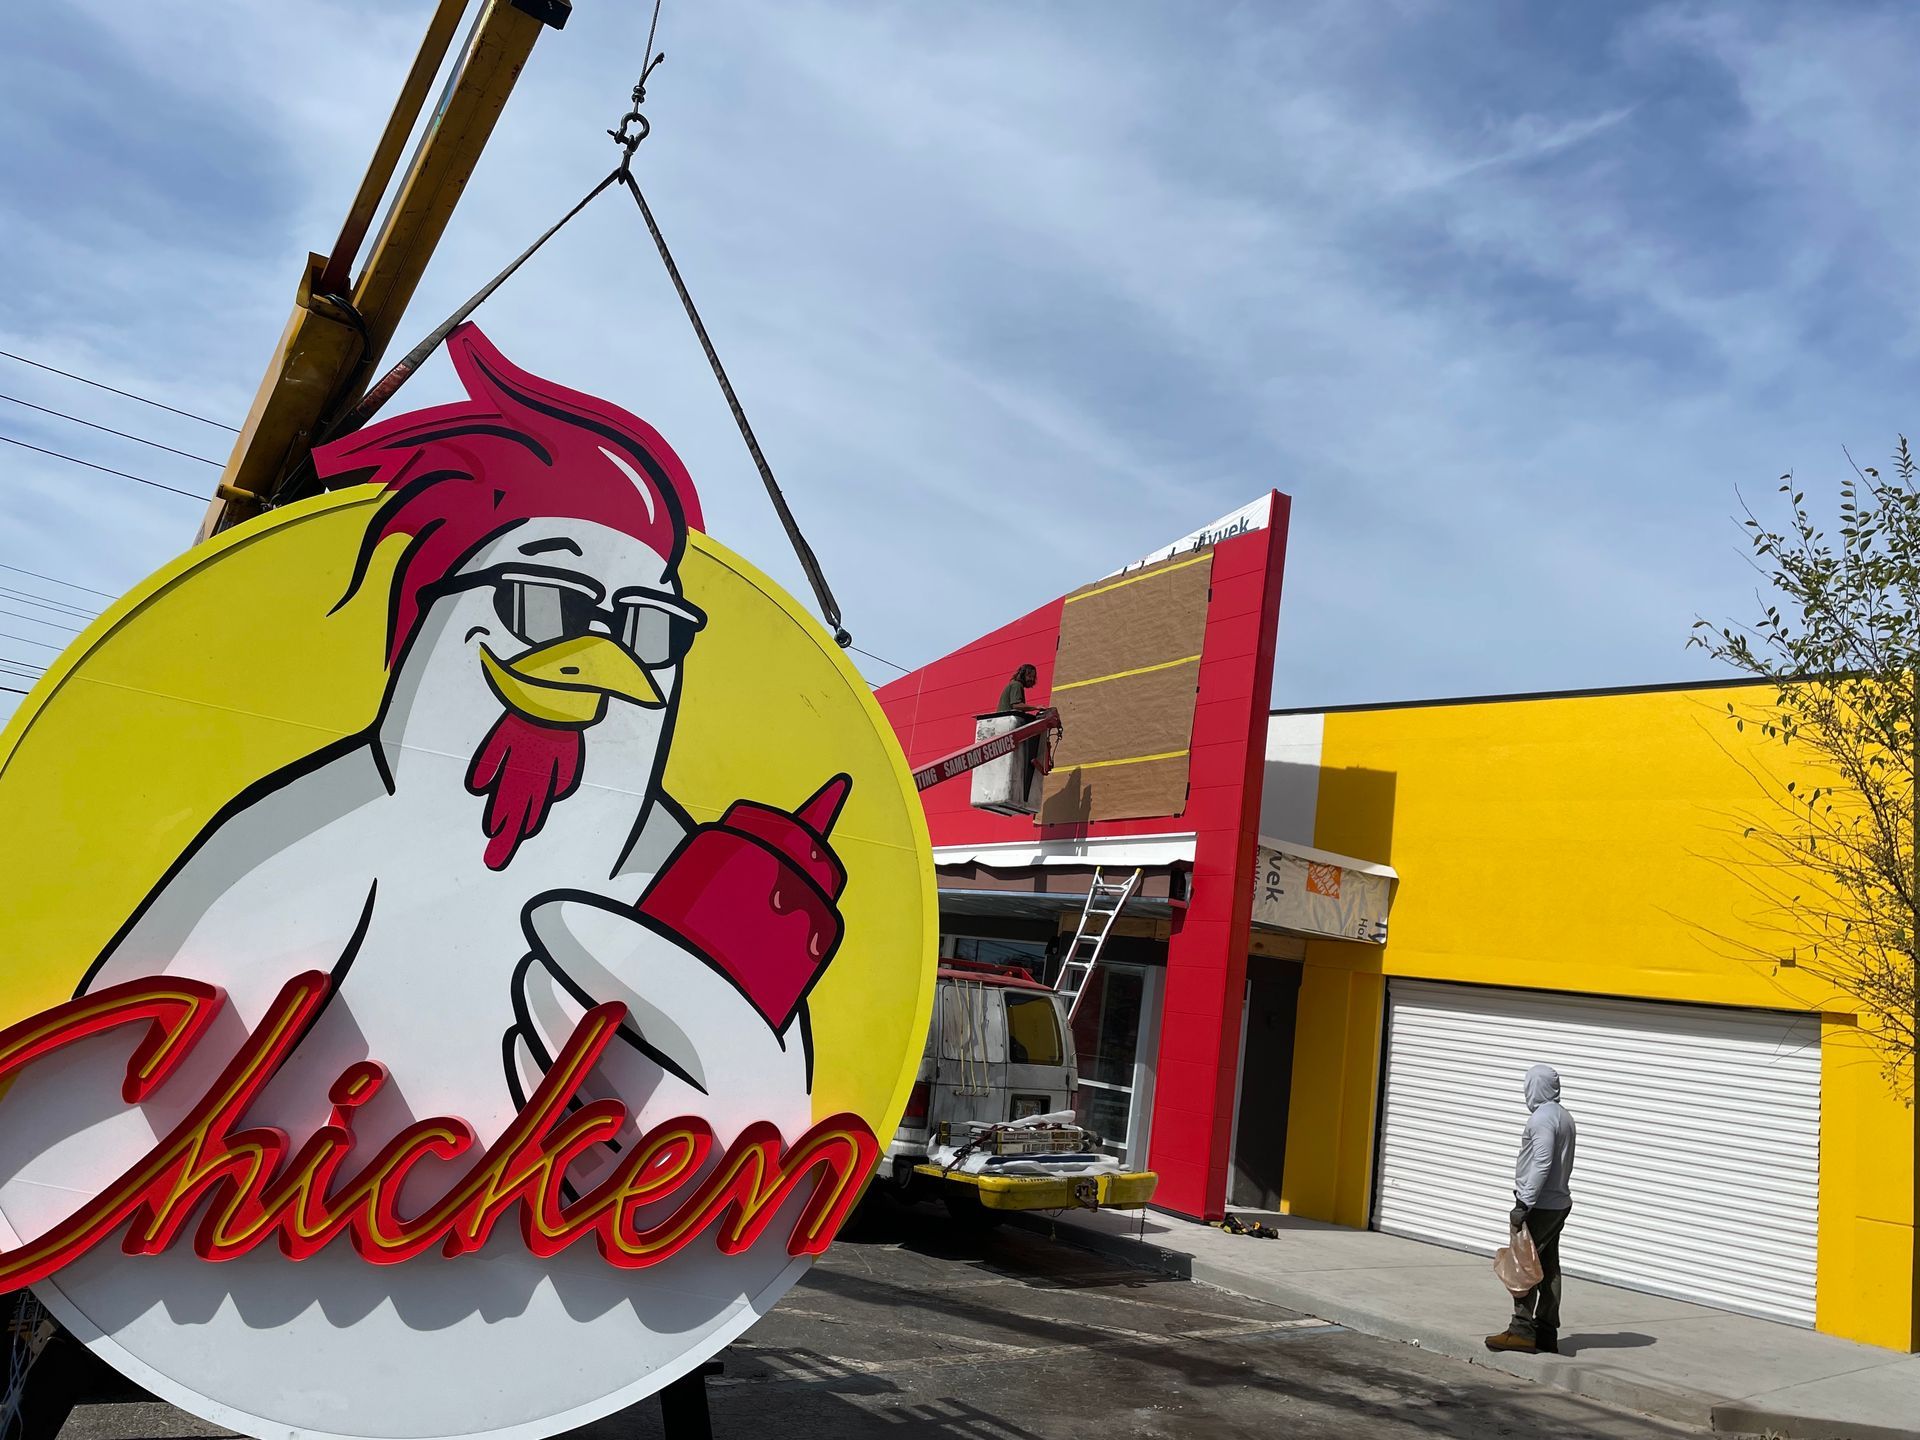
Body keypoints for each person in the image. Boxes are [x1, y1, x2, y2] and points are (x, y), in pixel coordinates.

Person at [1486, 1063, 1577, 1355]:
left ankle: (1521, 1331)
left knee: (1522, 1266)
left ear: (1535, 1087)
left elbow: (1542, 1162)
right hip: (1558, 1203)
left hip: (1539, 1205)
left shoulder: (1541, 1119)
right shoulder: (1564, 1117)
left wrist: (1524, 1202)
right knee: (1548, 1268)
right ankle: (1546, 1332)